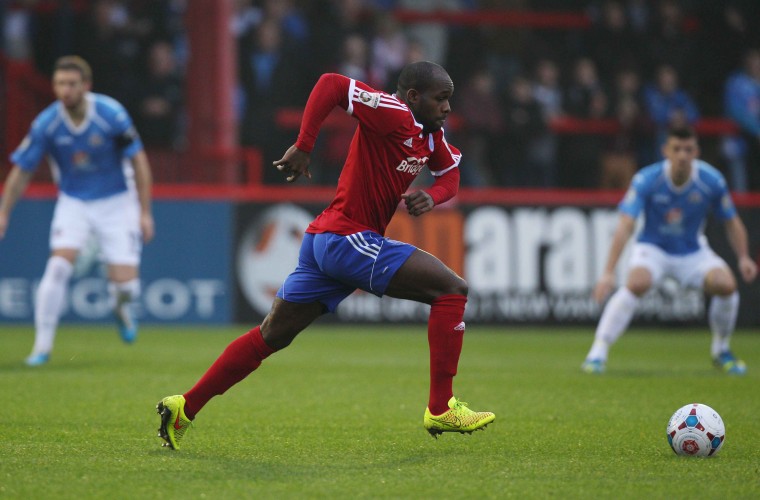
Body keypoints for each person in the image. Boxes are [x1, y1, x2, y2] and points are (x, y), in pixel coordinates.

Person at [155, 61, 495, 450]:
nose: (448, 108)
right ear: (414, 97)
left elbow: (449, 175)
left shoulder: (430, 135)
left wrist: (431, 195)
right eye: (441, 99)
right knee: (451, 290)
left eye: (449, 100)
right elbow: (331, 85)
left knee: (271, 336)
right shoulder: (393, 110)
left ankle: (184, 406)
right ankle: (441, 407)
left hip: (324, 241)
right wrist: (304, 145)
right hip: (346, 238)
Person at [0, 55, 154, 366]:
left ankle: (121, 309)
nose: (65, 90)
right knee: (57, 267)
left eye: (71, 84)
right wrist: (4, 212)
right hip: (74, 201)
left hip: (117, 200)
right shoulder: (47, 123)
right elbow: (21, 171)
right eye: (59, 84)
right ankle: (41, 348)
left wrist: (144, 211)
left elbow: (138, 161)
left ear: (86, 86)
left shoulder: (111, 114)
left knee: (127, 287)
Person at [581, 126, 757, 375]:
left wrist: (743, 257)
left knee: (726, 284)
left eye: (688, 149)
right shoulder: (647, 179)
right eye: (676, 149)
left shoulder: (711, 181)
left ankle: (721, 350)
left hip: (692, 250)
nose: (682, 155)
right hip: (653, 248)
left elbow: (731, 221)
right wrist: (608, 272)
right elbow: (625, 225)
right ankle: (597, 352)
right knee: (637, 281)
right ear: (666, 151)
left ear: (696, 151)